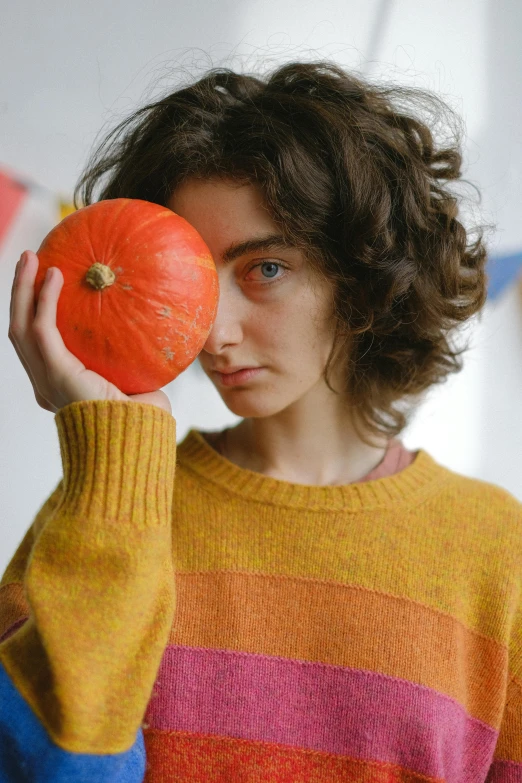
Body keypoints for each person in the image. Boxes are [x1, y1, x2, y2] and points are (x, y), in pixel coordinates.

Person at [1, 59, 521, 782]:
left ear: (362, 268)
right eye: (186, 272)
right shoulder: (100, 510)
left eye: (265, 268)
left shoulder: (498, 548)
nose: (214, 330)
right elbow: (47, 766)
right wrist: (112, 453)